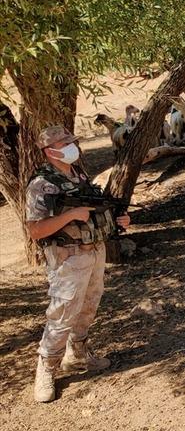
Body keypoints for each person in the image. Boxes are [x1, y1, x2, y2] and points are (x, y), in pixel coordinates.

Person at [26, 125, 131, 403]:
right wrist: (70, 214)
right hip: (67, 257)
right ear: (51, 151)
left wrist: (118, 221)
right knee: (62, 314)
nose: (73, 146)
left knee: (89, 304)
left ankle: (78, 353)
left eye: (73, 141)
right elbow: (35, 230)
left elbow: (95, 211)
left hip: (94, 251)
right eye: (66, 143)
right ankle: (46, 368)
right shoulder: (41, 184)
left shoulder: (78, 175)